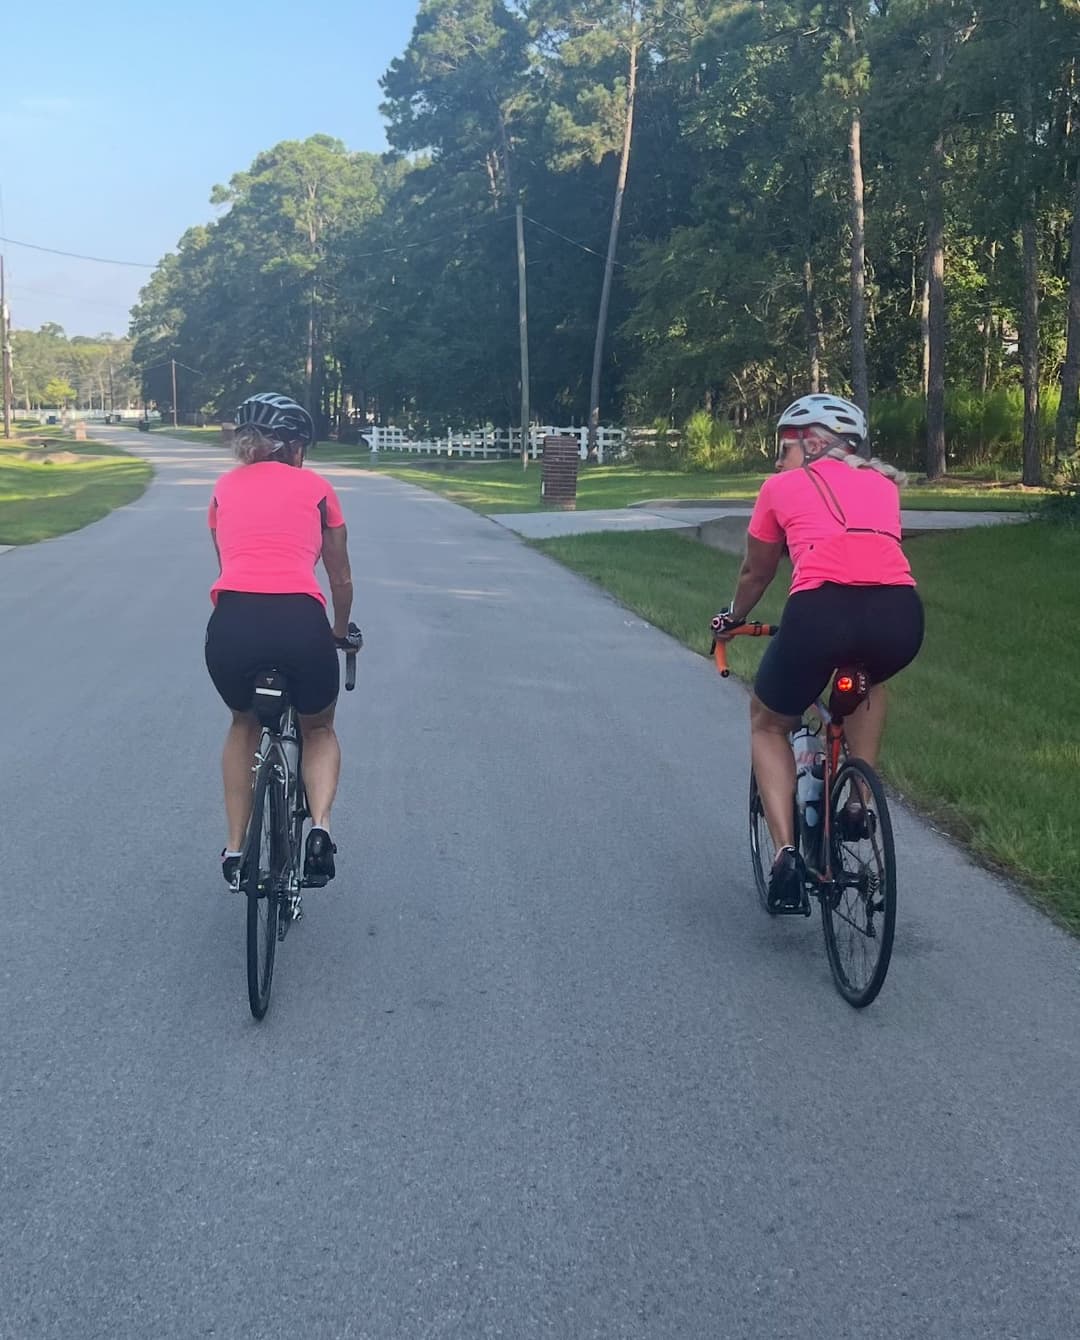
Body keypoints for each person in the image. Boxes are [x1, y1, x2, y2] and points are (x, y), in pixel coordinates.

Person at [712, 393, 924, 910]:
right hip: (900, 616)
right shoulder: (884, 485)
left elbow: (756, 572)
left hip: (820, 612)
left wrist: (732, 618)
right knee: (868, 679)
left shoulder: (780, 487)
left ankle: (786, 854)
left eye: (785, 444)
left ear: (813, 443)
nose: (778, 456)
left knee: (768, 721)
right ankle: (859, 801)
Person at [205, 392, 356, 886]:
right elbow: (340, 579)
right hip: (300, 622)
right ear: (293, 447)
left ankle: (233, 850)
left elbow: (227, 564)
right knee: (318, 730)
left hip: (232, 624)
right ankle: (321, 830)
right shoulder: (317, 488)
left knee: (242, 725)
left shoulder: (223, 488)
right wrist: (338, 631)